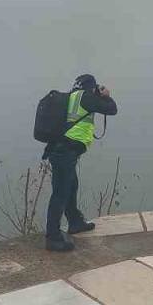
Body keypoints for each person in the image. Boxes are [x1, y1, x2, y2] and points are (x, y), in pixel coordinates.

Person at [43, 73, 117, 252]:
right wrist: (106, 95)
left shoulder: (71, 97)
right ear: (91, 87)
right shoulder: (86, 98)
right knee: (60, 192)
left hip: (61, 150)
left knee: (71, 186)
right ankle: (52, 237)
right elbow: (112, 109)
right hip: (65, 152)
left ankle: (75, 222)